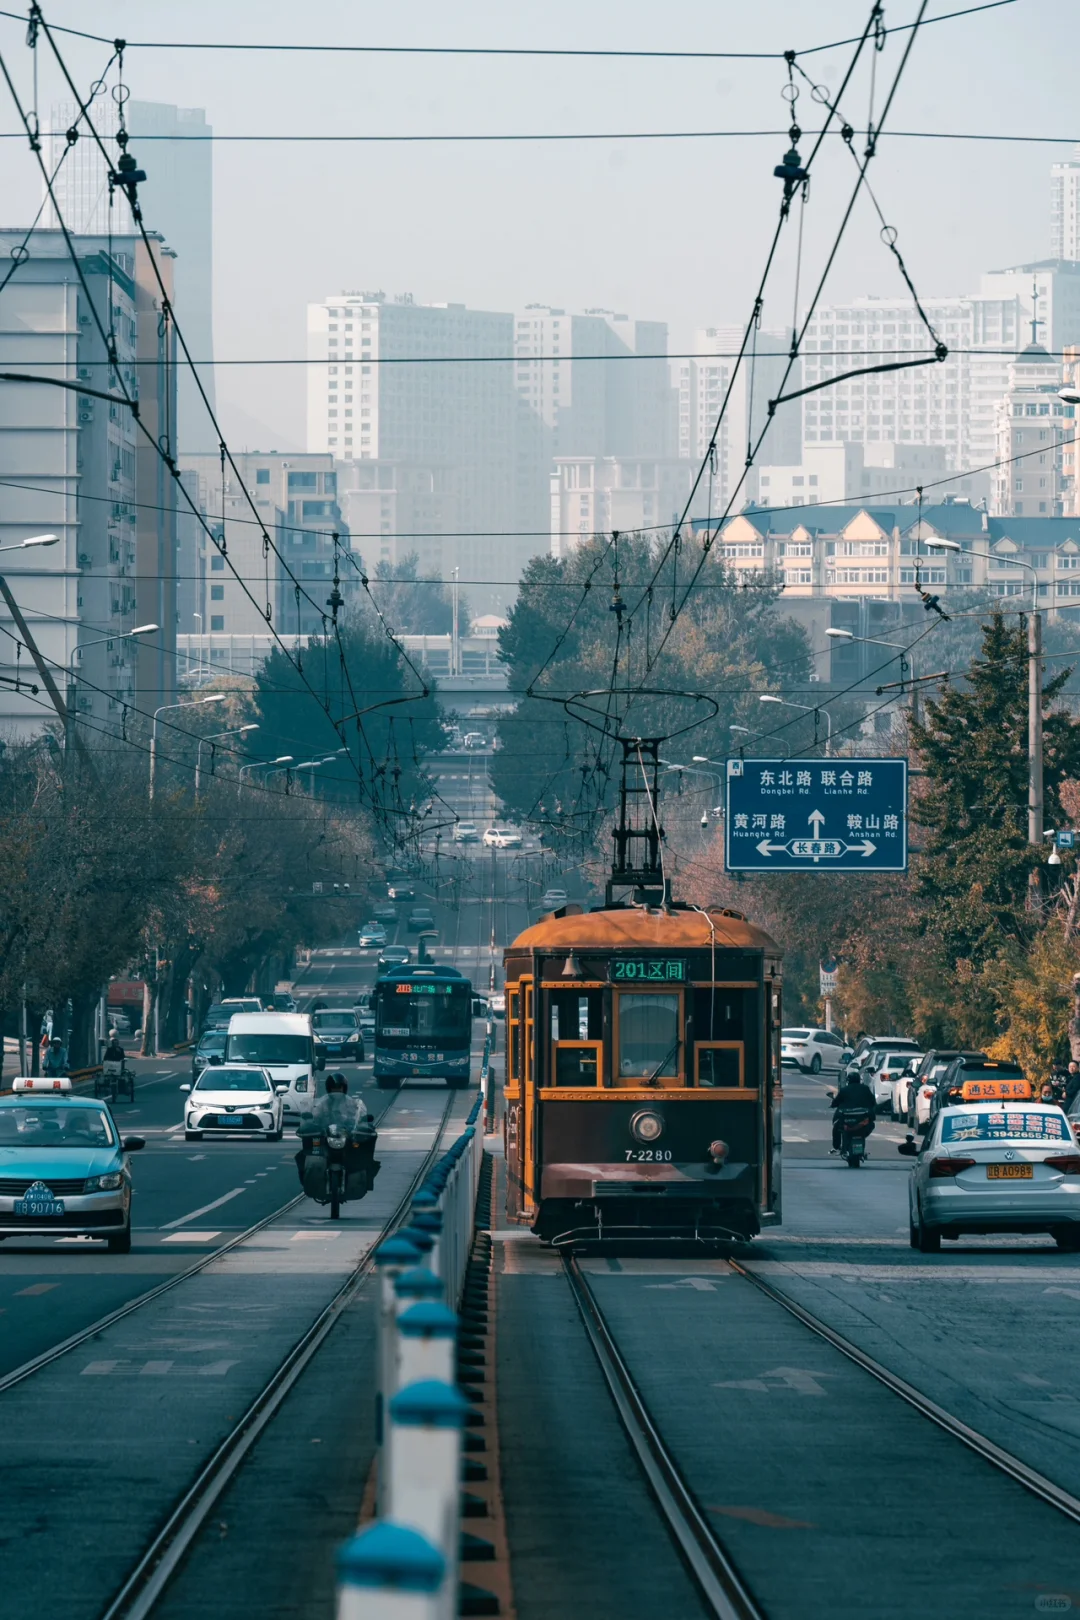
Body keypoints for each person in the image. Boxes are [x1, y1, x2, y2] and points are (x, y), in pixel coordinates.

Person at [830, 1068, 877, 1153]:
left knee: (836, 1126)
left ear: (848, 1081)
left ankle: (836, 1146)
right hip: (861, 1120)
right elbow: (873, 1102)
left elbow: (835, 1102)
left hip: (850, 1119)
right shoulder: (865, 1089)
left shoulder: (845, 1090)